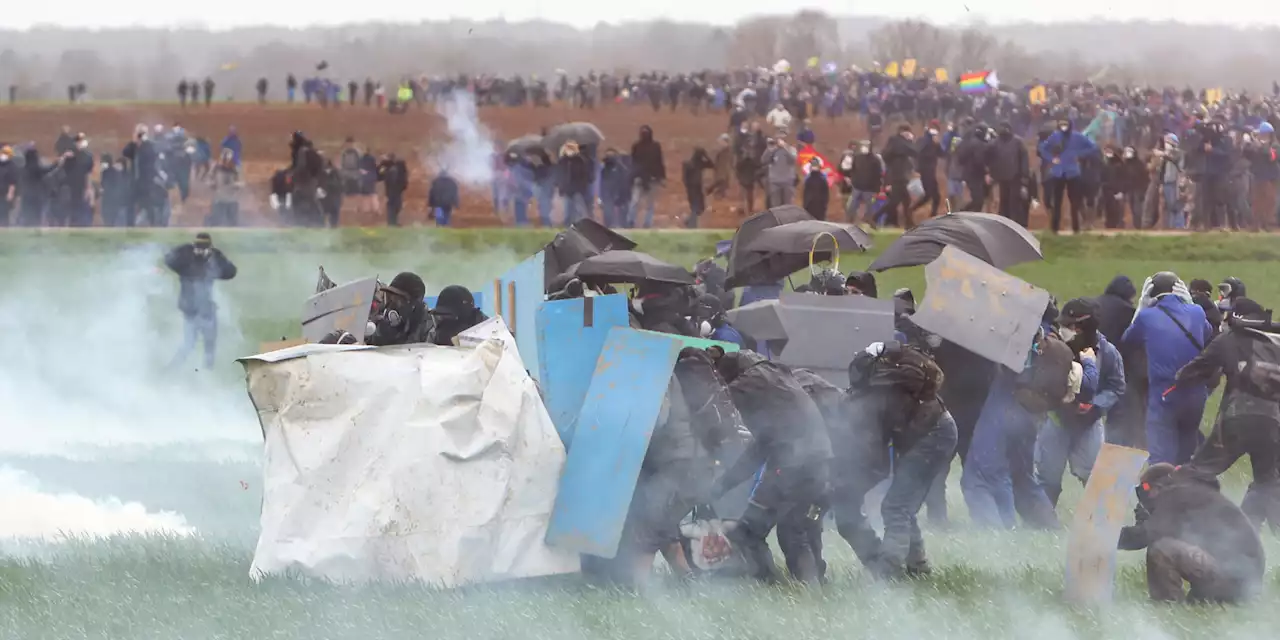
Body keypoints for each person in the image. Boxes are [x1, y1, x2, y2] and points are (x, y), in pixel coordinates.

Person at [837, 340, 957, 578]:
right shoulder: (890, 382)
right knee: (903, 505)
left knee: (896, 507)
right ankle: (918, 567)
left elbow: (876, 457)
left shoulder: (880, 394)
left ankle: (887, 573)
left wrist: (853, 484)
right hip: (938, 431)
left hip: (932, 436)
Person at [710, 350, 831, 585]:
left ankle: (799, 586)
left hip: (791, 466)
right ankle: (812, 582)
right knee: (801, 526)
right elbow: (764, 443)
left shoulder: (746, 385)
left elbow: (759, 448)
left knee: (773, 530)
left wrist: (722, 484)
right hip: (818, 460)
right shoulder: (777, 375)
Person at [1170, 298, 1280, 530]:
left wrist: (1178, 379)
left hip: (1236, 420)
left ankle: (1174, 522)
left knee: (1199, 470)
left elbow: (1195, 369)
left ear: (1237, 316)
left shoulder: (1228, 339)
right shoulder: (1277, 343)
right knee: (1268, 483)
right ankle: (1252, 534)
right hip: (1273, 424)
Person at [1118, 463, 1264, 604]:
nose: (1143, 497)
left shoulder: (1174, 496)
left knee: (1161, 549)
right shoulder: (1192, 495)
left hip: (1236, 579)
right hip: (1243, 579)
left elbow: (1143, 536)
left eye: (1144, 489)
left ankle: (1167, 605)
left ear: (1158, 487)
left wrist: (1106, 537)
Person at [1036, 298, 1125, 506]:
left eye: (1070, 325)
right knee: (1047, 477)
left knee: (1094, 477)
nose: (1064, 329)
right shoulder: (1053, 348)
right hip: (1056, 420)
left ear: (1084, 327)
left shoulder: (1108, 352)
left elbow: (1117, 386)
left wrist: (1096, 405)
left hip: (1089, 424)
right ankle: (1042, 522)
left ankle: (1096, 523)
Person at [1121, 272, 1213, 465]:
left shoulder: (1147, 316)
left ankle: (1162, 489)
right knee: (1186, 452)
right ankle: (1184, 488)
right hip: (1195, 392)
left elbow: (1127, 340)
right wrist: (1191, 304)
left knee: (1161, 455)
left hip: (1164, 392)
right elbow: (1207, 333)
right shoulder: (1196, 312)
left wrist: (1140, 307)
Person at [164, 233, 237, 370]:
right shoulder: (186, 260)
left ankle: (207, 373)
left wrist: (217, 256)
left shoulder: (212, 260)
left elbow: (231, 272)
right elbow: (169, 260)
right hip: (190, 310)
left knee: (209, 347)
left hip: (206, 309)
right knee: (188, 344)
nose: (201, 252)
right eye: (198, 248)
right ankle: (171, 369)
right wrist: (185, 250)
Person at [1039, 117, 1098, 233]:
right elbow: (1043, 148)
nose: (1063, 127)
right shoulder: (1055, 136)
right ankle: (1054, 228)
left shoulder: (1077, 137)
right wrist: (1051, 158)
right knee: (1057, 201)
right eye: (1061, 124)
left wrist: (1080, 155)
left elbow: (1093, 147)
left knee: (1075, 202)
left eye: (1065, 124)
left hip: (1073, 172)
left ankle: (1076, 228)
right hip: (1058, 172)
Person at [365, 273, 431, 347]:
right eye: (389, 297)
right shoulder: (386, 323)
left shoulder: (428, 328)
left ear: (413, 304)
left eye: (397, 299)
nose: (392, 304)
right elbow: (371, 342)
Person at [988, 122, 1030, 225]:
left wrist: (1024, 175)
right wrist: (992, 174)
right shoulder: (995, 143)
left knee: (1014, 201)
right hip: (1002, 177)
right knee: (1004, 201)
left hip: (1015, 177)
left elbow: (1024, 159)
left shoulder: (1018, 142)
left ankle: (1015, 224)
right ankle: (1004, 224)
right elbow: (990, 158)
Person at [880, 124, 918, 228]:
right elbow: (914, 151)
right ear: (903, 132)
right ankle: (876, 217)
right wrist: (910, 141)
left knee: (904, 201)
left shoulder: (895, 142)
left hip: (898, 176)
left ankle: (907, 223)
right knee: (895, 201)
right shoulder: (898, 142)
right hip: (896, 176)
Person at [629, 125, 665, 228]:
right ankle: (631, 220)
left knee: (650, 203)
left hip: (652, 178)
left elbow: (659, 161)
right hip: (639, 178)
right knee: (635, 201)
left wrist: (661, 177)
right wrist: (632, 176)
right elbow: (633, 162)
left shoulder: (655, 146)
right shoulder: (636, 146)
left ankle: (647, 222)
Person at [841, 140, 883, 224]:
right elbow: (852, 170)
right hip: (857, 186)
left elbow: (878, 174)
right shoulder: (857, 157)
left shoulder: (875, 160)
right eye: (863, 146)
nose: (864, 148)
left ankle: (870, 222)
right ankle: (848, 221)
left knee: (869, 207)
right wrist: (853, 181)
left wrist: (877, 189)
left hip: (869, 188)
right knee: (852, 205)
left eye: (866, 146)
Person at [910, 123, 944, 220]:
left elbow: (942, 154)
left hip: (931, 172)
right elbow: (918, 152)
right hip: (924, 171)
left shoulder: (935, 143)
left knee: (935, 196)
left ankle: (933, 215)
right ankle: (912, 209)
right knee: (929, 195)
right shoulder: (923, 141)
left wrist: (938, 144)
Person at [557, 141, 592, 226]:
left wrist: (582, 187)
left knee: (580, 209)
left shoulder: (580, 160)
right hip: (566, 189)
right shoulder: (562, 161)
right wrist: (561, 187)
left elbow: (584, 175)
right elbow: (560, 175)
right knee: (567, 210)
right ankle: (568, 225)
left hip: (577, 189)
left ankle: (584, 225)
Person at [207, 149, 242, 227]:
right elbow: (209, 178)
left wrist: (236, 185)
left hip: (232, 199)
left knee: (233, 222)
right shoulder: (216, 167)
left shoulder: (235, 169)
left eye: (228, 160)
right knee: (216, 222)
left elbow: (240, 181)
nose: (226, 162)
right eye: (224, 159)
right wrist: (212, 184)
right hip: (219, 198)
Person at [762, 135, 797, 209]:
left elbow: (793, 160)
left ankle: (788, 220)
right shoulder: (772, 150)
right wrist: (769, 149)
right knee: (775, 206)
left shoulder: (791, 150)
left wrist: (785, 148)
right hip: (775, 182)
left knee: (788, 206)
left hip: (787, 182)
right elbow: (763, 160)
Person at [682, 147, 714, 228]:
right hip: (692, 188)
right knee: (695, 206)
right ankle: (692, 225)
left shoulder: (699, 163)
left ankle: (689, 221)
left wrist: (706, 156)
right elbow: (684, 178)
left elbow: (711, 165)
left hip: (697, 188)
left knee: (700, 207)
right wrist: (705, 156)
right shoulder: (688, 164)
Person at [378, 153, 409, 227]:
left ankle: (392, 222)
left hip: (393, 191)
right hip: (394, 191)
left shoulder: (390, 168)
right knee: (394, 206)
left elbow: (381, 175)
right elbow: (383, 176)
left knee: (394, 206)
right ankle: (392, 222)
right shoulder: (392, 168)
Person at [0, 145, 15, 226]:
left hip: (5, 193)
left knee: (4, 212)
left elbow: (12, 182)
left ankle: (4, 226)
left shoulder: (11, 166)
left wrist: (10, 193)